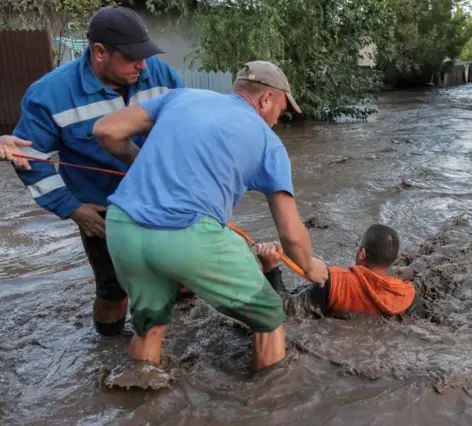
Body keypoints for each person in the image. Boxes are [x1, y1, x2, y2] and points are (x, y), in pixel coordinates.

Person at [92, 60, 329, 371]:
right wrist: (310, 266)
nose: (276, 120)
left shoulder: (181, 96)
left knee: (150, 326)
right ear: (266, 98)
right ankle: (272, 407)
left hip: (122, 226)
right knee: (270, 315)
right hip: (186, 235)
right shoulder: (268, 142)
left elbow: (106, 130)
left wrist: (139, 164)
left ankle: (141, 403)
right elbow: (290, 233)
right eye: (281, 111)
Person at [10, 5, 184, 337]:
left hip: (162, 200)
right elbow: (31, 159)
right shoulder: (49, 95)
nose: (142, 65)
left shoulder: (159, 74)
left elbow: (184, 129)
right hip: (103, 213)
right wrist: (73, 209)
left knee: (181, 274)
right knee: (113, 293)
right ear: (100, 52)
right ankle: (107, 350)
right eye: (132, 58)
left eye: (145, 56)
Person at [255, 224, 425, 318]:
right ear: (392, 260)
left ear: (362, 253)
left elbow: (285, 311)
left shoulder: (335, 283)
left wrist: (270, 267)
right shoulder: (408, 296)